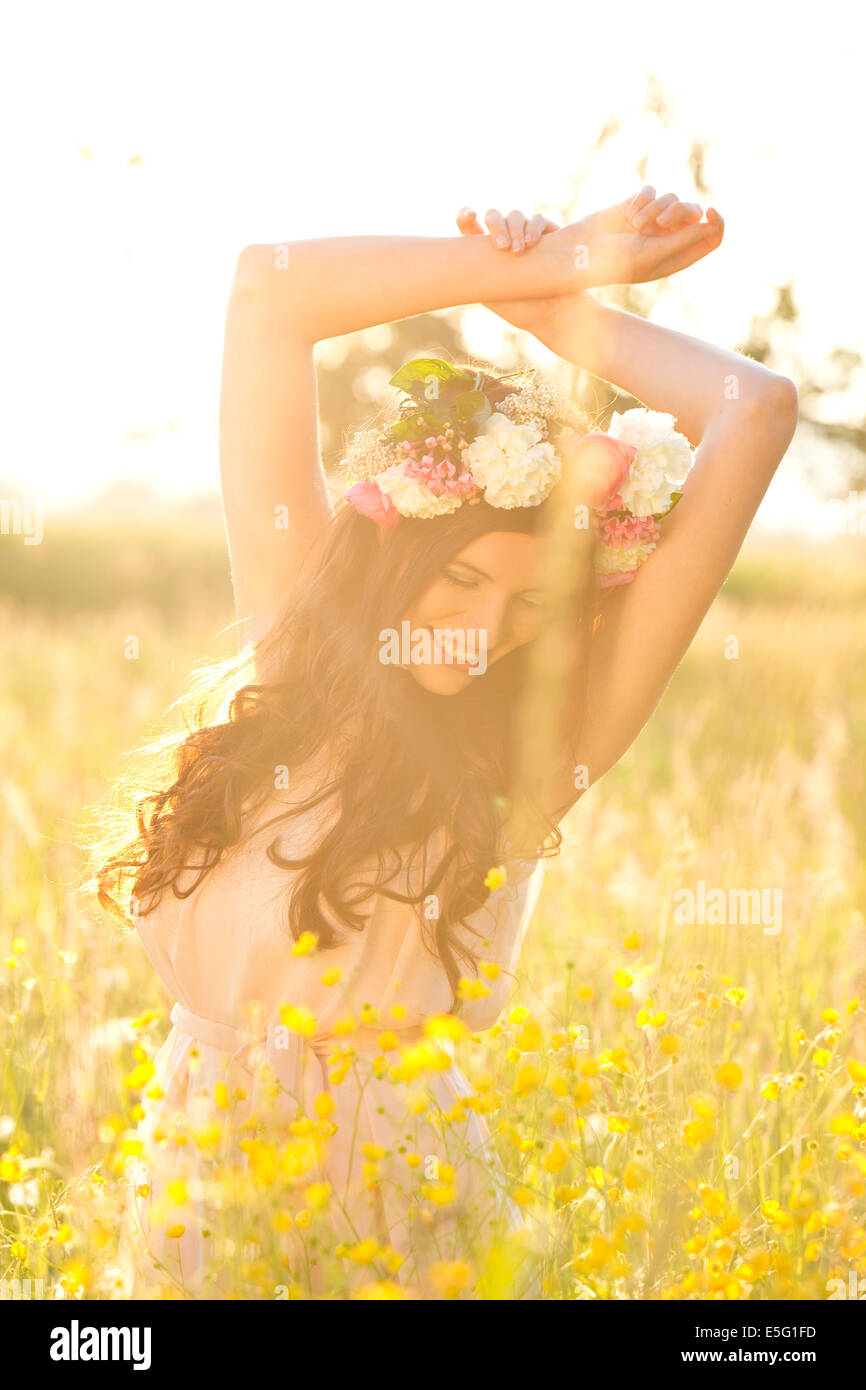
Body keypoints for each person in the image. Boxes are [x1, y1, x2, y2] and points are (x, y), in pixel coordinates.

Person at [97, 187, 797, 1297]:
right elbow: (267, 291)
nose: (478, 638)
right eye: (462, 578)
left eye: (528, 611)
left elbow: (753, 411)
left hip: (402, 1199)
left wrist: (562, 318)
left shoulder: (531, 750)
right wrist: (540, 261)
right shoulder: (297, 647)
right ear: (398, 548)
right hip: (200, 1187)